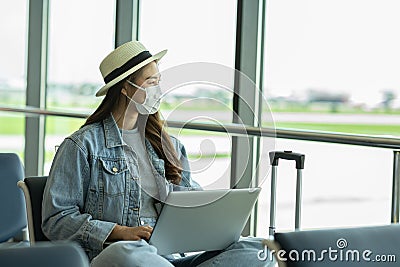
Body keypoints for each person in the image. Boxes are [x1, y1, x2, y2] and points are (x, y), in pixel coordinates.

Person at [42, 41, 274, 267]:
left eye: (159, 81)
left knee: (258, 249)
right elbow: (56, 220)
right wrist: (120, 233)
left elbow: (190, 201)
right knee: (129, 252)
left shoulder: (169, 144)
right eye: (151, 82)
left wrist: (212, 218)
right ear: (126, 88)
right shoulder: (82, 145)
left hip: (167, 258)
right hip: (115, 257)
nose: (159, 90)